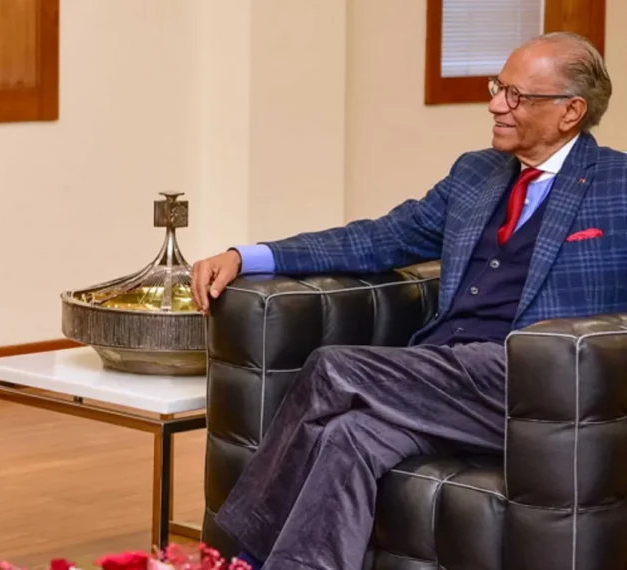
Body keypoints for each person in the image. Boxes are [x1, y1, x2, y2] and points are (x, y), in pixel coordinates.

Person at [189, 32, 620, 570]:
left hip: (538, 389)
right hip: (442, 374)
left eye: (516, 96)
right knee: (351, 434)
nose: (494, 105)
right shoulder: (476, 173)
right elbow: (380, 238)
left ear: (570, 111)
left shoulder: (617, 186)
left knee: (331, 369)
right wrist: (250, 256)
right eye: (497, 88)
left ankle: (234, 556)